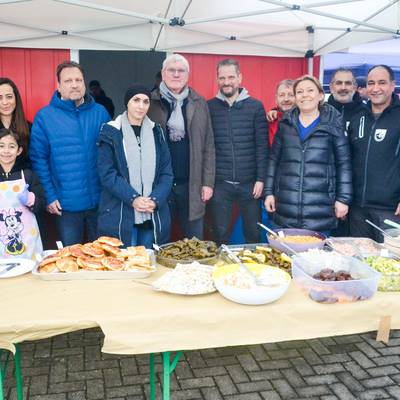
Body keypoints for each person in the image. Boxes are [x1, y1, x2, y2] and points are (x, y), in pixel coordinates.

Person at [30, 61, 110, 246]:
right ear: (58, 85)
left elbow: (111, 155)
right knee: (70, 258)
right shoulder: (45, 117)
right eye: (68, 81)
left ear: (84, 83)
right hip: (65, 206)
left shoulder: (100, 112)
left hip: (99, 202)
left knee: (102, 257)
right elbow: (39, 159)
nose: (74, 84)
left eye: (78, 80)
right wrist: (49, 195)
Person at [264, 75, 352, 233]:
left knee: (316, 256)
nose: (305, 95)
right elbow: (273, 160)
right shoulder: (285, 124)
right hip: (286, 206)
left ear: (320, 95)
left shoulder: (334, 124)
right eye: (300, 92)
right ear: (296, 97)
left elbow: (344, 163)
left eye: (310, 90)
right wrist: (268, 193)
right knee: (283, 255)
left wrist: (343, 199)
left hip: (320, 209)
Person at [148, 54, 215, 240]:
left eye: (181, 70)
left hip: (191, 184)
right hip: (160, 184)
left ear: (187, 74)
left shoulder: (198, 102)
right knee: (159, 239)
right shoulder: (149, 102)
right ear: (163, 73)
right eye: (171, 70)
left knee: (195, 242)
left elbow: (209, 144)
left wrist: (207, 182)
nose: (176, 74)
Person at [97, 84, 173, 248]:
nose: (141, 106)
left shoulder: (156, 131)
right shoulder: (111, 131)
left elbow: (166, 173)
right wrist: (134, 198)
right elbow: (107, 174)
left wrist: (155, 200)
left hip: (150, 214)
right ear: (127, 103)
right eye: (136, 100)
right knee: (125, 266)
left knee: (148, 263)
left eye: (146, 101)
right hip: (122, 214)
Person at [208, 59, 268, 245]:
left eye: (231, 77)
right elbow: (206, 147)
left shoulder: (255, 106)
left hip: (249, 183)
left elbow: (262, 146)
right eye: (222, 78)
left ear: (240, 78)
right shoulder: (209, 107)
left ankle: (254, 269)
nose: (227, 82)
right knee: (219, 233)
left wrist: (261, 179)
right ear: (217, 80)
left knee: (252, 233)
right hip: (220, 183)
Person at [347, 65, 400, 241]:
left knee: (391, 263)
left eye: (382, 82)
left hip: (390, 210)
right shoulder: (358, 116)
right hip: (357, 209)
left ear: (393, 85)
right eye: (371, 83)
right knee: (361, 264)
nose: (376, 88)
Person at [0, 128, 45, 259]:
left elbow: (42, 203)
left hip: (26, 235)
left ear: (19, 151)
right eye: (1, 146)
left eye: (11, 146)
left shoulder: (28, 175)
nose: (6, 151)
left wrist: (31, 200)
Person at [0, 77, 31, 166]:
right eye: (0, 98)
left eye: (9, 97)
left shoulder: (29, 128)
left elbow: (35, 159)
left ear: (16, 99)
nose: (5, 102)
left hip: (23, 178)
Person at [267, 79, 295, 146]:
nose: (286, 99)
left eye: (291, 95)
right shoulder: (269, 121)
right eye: (282, 95)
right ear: (276, 99)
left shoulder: (305, 120)